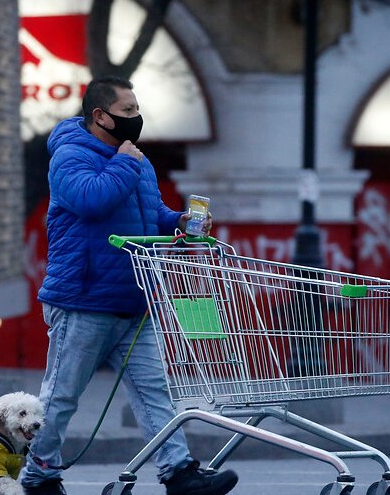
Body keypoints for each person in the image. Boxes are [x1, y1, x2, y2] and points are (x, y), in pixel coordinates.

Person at [20, 76, 237, 495]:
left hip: (134, 299)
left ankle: (178, 473)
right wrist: (125, 161)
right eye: (129, 111)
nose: (137, 119)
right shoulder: (69, 155)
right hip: (83, 300)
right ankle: (38, 475)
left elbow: (148, 212)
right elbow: (91, 199)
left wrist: (179, 222)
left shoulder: (134, 159)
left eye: (138, 110)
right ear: (100, 116)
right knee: (61, 396)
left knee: (156, 390)